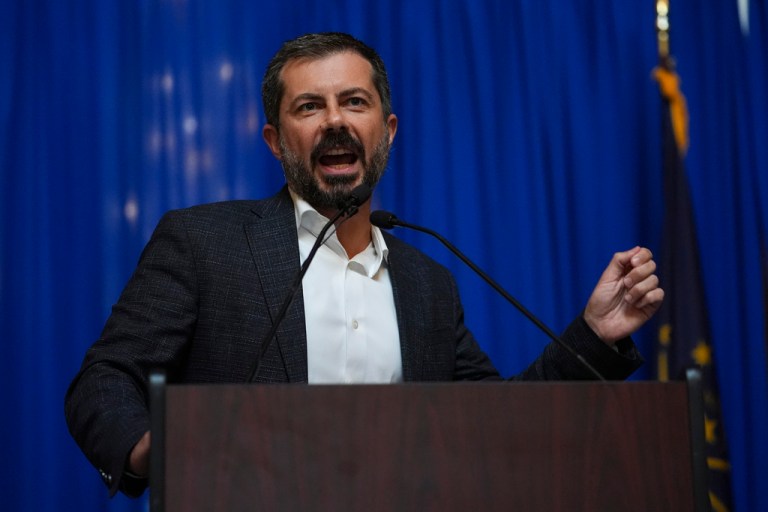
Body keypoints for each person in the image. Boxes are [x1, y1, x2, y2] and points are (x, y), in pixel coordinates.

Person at [65, 32, 664, 498]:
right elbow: (104, 380)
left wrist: (593, 336)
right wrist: (162, 451)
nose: (335, 120)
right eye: (309, 106)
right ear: (276, 141)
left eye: (355, 101)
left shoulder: (429, 284)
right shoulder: (203, 243)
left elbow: (500, 425)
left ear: (387, 130)